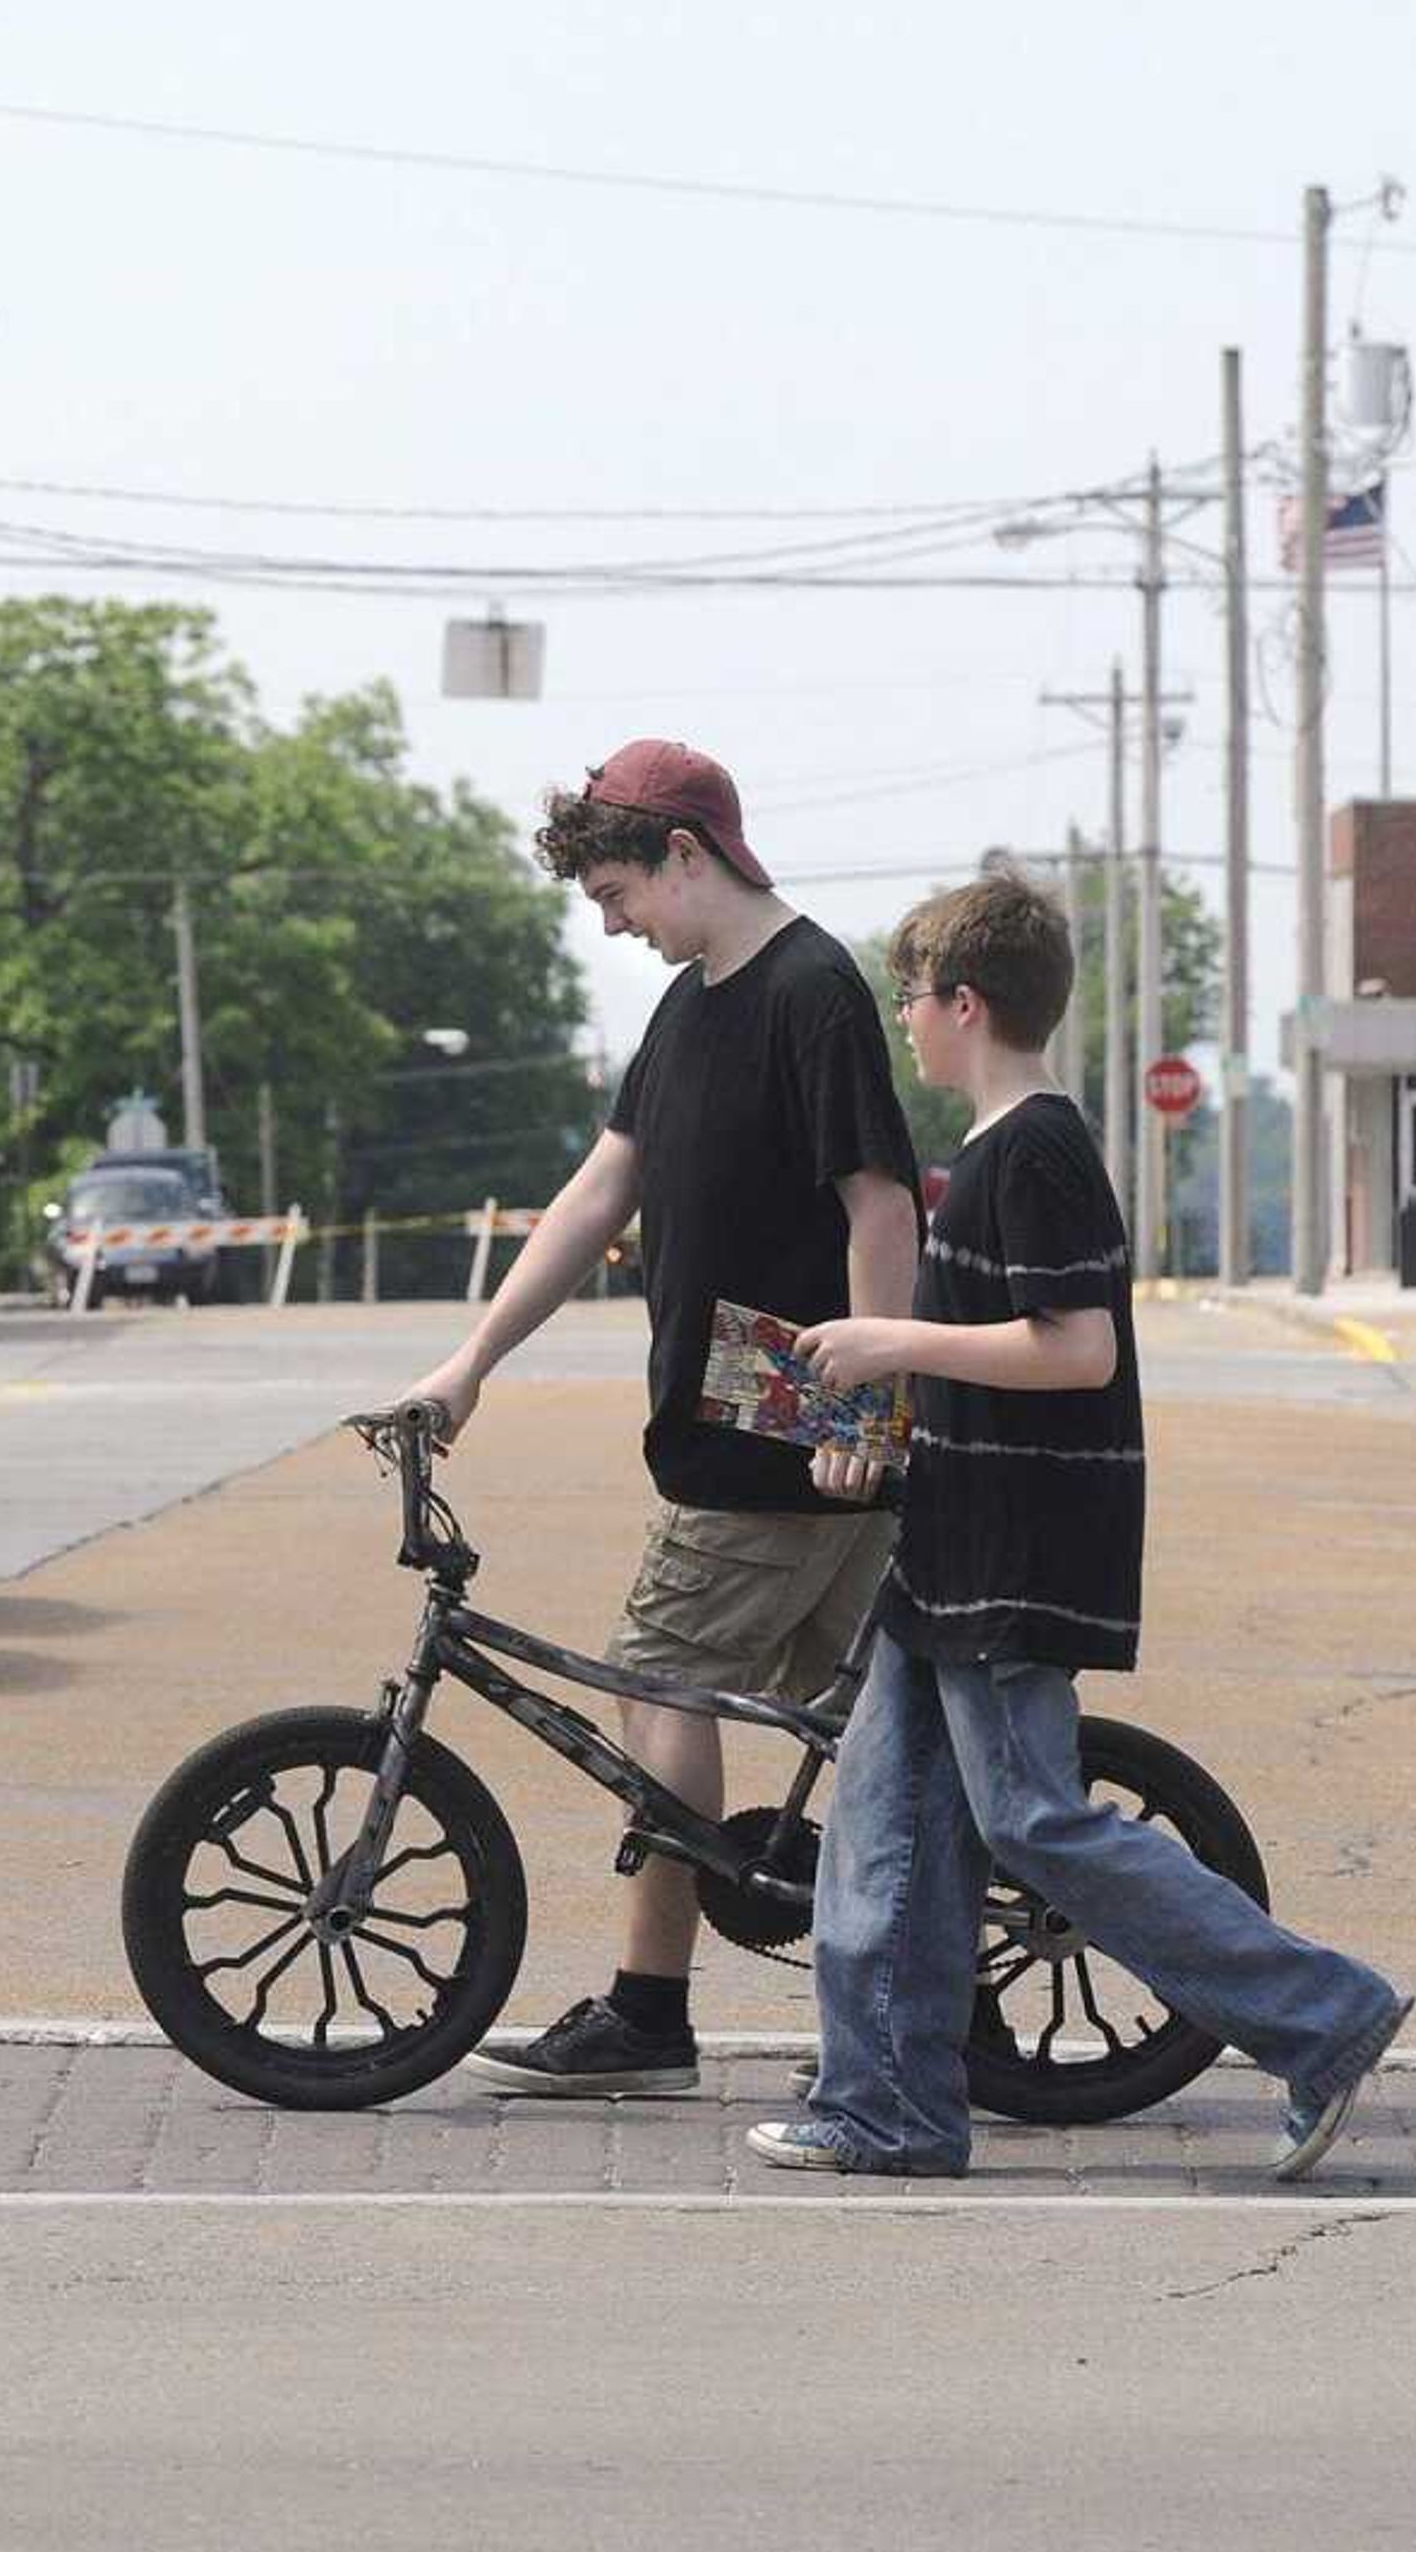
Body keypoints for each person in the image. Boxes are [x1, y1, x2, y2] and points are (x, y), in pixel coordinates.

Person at [747, 872, 1411, 2182]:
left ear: (965, 1003)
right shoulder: (1002, 1154)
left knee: (1037, 1821)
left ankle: (1325, 2015)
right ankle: (887, 2107)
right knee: (886, 1827)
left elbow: (1075, 1348)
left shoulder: (1033, 1151)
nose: (908, 1027)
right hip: (953, 1542)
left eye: (914, 1001)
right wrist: (878, 1429)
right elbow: (1008, 1353)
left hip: (1013, 1552)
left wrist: (894, 1336)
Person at [401, 739, 921, 2099]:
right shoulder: (693, 1007)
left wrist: (866, 1399)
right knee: (878, 1727)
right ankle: (932, 1989)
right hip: (761, 1410)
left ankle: (648, 2008)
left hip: (788, 1406)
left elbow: (881, 1203)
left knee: (658, 1673)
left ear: (690, 853)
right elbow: (599, 1190)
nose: (615, 924)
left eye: (621, 892)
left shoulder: (811, 990)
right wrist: (472, 1359)